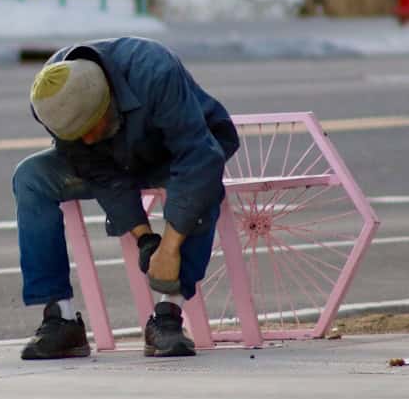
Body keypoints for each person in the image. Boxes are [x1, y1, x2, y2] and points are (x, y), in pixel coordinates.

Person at [12, 36, 239, 360]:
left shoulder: (154, 71)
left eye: (92, 127)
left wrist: (170, 246)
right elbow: (98, 170)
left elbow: (198, 157)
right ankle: (61, 320)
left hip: (176, 152)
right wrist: (145, 238)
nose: (87, 138)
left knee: (201, 186)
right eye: (79, 135)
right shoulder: (52, 98)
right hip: (116, 160)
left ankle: (167, 316)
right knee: (30, 178)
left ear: (108, 100)